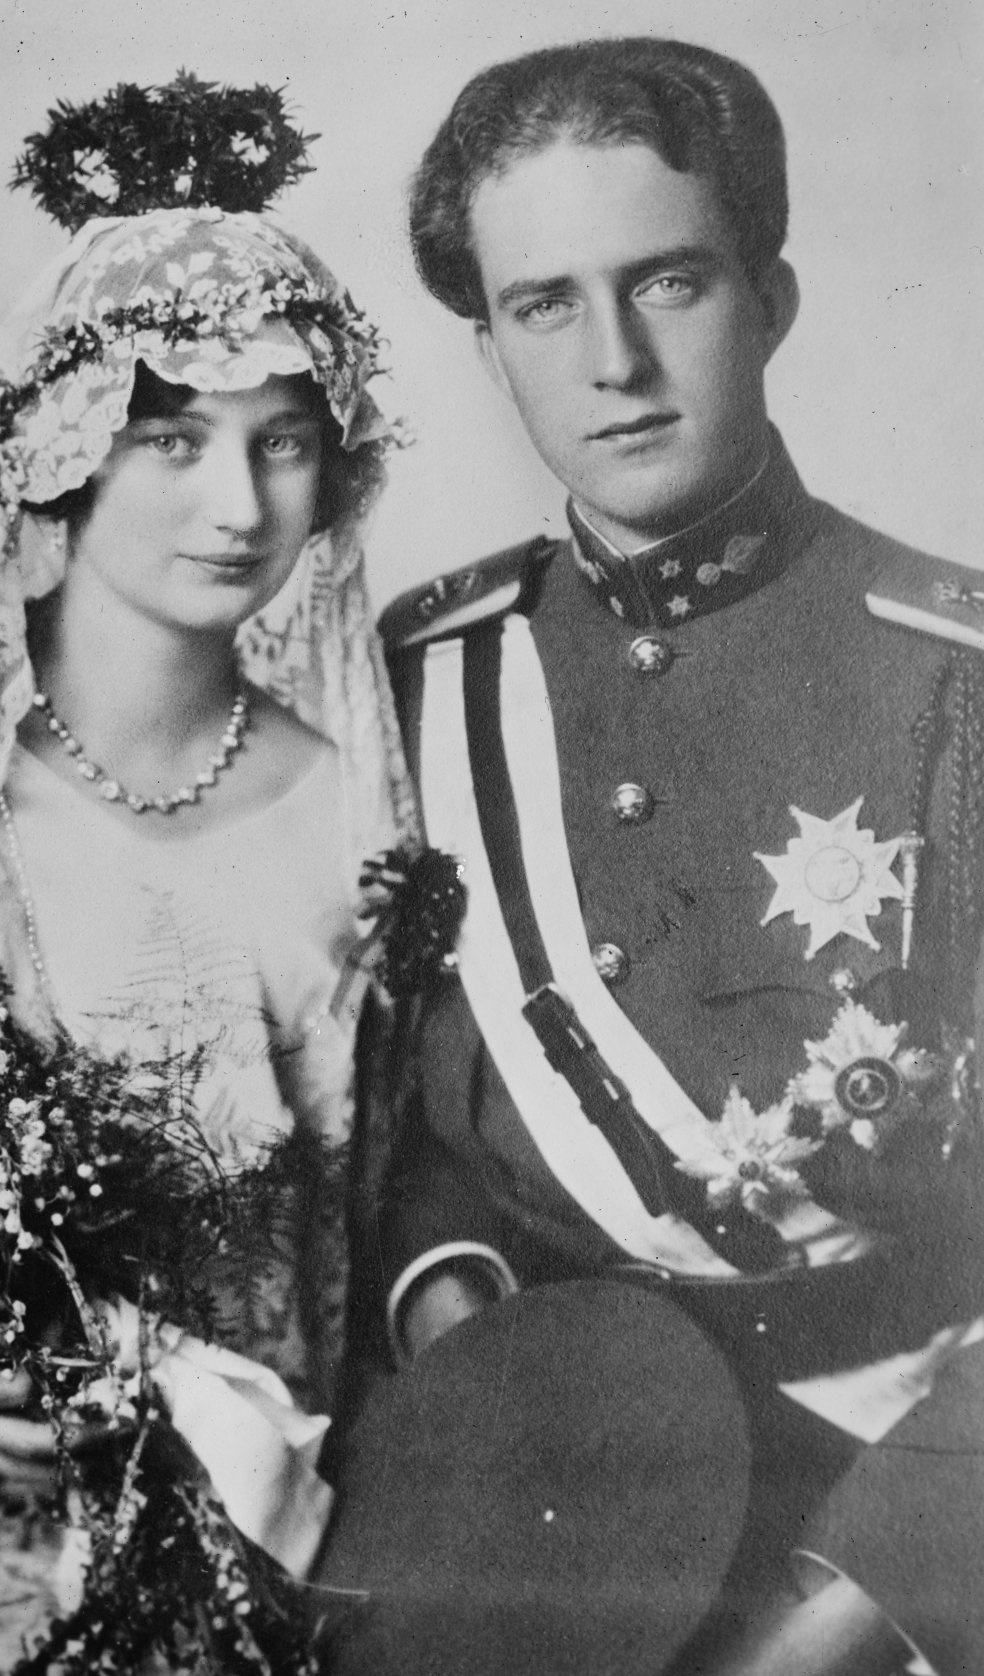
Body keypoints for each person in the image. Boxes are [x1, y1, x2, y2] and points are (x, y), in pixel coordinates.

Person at [353, 37, 984, 1676]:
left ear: (771, 297)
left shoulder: (953, 684)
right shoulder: (423, 684)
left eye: (670, 282)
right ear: (488, 348)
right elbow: (414, 1128)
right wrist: (472, 1352)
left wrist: (861, 1603)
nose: (614, 360)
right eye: (544, 305)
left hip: (897, 1529)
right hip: (556, 1510)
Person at [0, 70, 415, 1674]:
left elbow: (367, 1234)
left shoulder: (360, 799)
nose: (237, 504)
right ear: (63, 451)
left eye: (284, 444)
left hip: (281, 1558)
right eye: (170, 437)